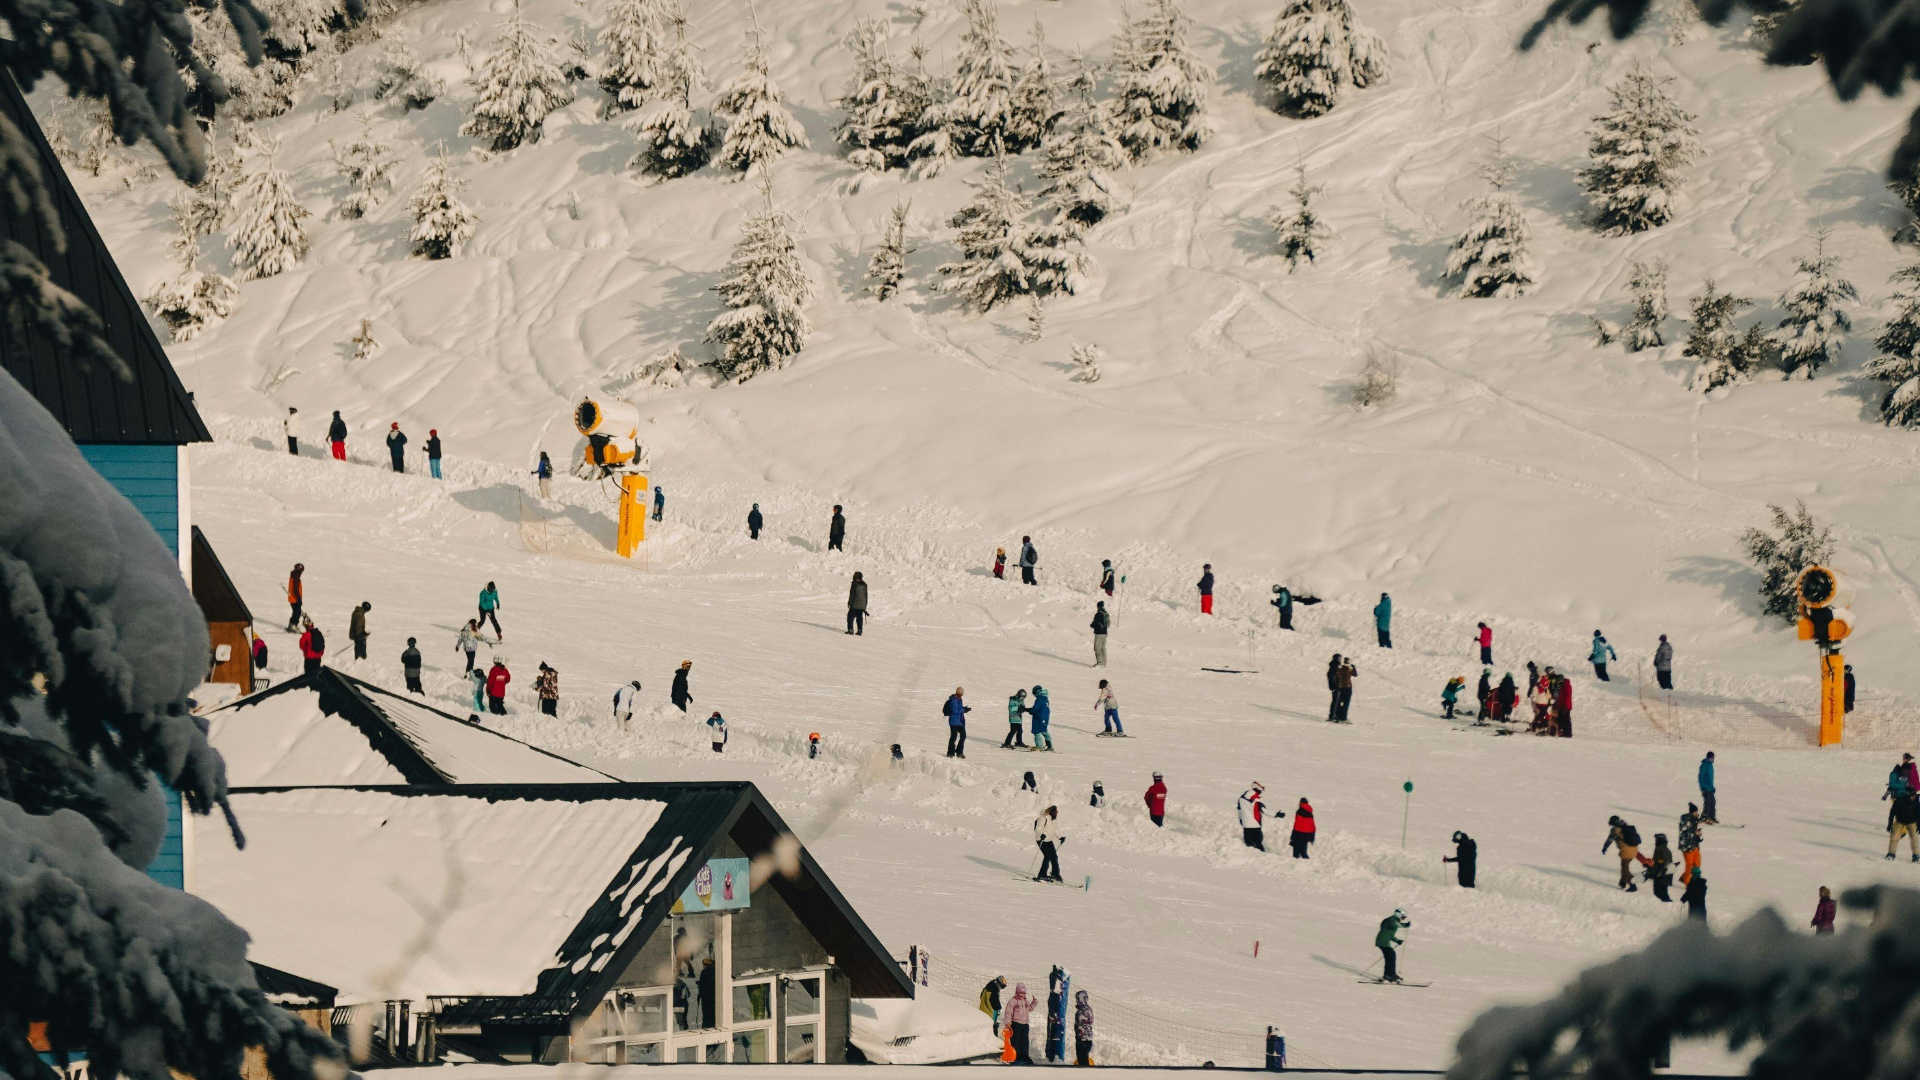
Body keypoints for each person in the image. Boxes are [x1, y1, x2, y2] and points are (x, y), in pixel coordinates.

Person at [1603, 815, 1647, 892]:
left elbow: (1609, 840)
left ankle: (1632, 885)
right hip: (1634, 850)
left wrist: (1605, 848)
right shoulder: (1625, 826)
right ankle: (1622, 883)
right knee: (1624, 868)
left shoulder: (1615, 830)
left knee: (1625, 870)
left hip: (1627, 851)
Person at [1375, 910, 1410, 983]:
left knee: (1390, 957)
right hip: (1382, 941)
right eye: (1402, 917)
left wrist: (1397, 941)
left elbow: (1390, 934)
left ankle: (1387, 975)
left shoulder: (1393, 921)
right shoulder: (1392, 920)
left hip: (1383, 941)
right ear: (1398, 915)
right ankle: (1391, 975)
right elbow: (1395, 925)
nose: (1402, 919)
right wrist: (1405, 925)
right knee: (1391, 955)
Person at [1007, 983, 1035, 1064]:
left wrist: (1034, 1002)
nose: (1022, 995)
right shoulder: (1013, 1001)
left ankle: (1024, 1057)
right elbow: (1008, 1013)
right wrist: (1008, 1023)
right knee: (1016, 1041)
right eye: (1020, 993)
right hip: (1016, 1024)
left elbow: (1029, 1009)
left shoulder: (1025, 1001)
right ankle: (1015, 1057)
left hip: (1025, 1024)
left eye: (1023, 993)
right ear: (1017, 992)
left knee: (1025, 1041)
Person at [1034, 806, 1063, 882]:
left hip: (1049, 840)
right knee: (1048, 856)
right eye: (1055, 812)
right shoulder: (1043, 818)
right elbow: (1038, 829)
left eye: (1057, 811)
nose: (1056, 813)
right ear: (1050, 812)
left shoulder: (1054, 820)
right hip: (1041, 839)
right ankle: (1042, 875)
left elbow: (1055, 830)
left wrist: (1060, 837)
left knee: (1054, 857)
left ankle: (1055, 874)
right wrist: (1041, 834)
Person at [1238, 782, 1271, 850]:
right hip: (1255, 824)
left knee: (1249, 844)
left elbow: (1239, 810)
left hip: (1246, 824)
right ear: (1257, 789)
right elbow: (1264, 810)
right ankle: (1262, 857)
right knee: (1258, 843)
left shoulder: (1241, 798)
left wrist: (1241, 819)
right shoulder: (1256, 799)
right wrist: (1276, 815)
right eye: (1261, 790)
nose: (1261, 792)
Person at [1889, 790, 1920, 861]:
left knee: (1914, 839)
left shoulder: (1916, 802)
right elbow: (1892, 813)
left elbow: (1918, 814)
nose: (1914, 797)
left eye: (1914, 795)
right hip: (1899, 821)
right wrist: (1890, 824)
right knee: (1894, 838)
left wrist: (1919, 825)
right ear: (1908, 795)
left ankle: (1916, 855)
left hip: (1912, 822)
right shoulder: (1899, 801)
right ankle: (1891, 854)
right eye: (1912, 795)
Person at [1678, 803, 1703, 884]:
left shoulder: (1694, 820)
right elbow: (1684, 833)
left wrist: (1697, 835)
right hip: (1687, 847)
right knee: (1690, 866)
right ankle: (1687, 883)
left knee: (1697, 865)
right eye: (1695, 812)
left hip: (1695, 846)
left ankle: (1684, 878)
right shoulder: (1685, 820)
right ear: (1691, 812)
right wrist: (1694, 833)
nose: (1697, 814)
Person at [1647, 833, 1674, 902]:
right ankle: (1668, 905)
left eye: (1656, 839)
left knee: (1658, 892)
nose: (1655, 841)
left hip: (1661, 874)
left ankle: (1668, 906)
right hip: (1667, 874)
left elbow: (1657, 863)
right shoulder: (1667, 849)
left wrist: (1653, 873)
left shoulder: (1659, 848)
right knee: (1663, 893)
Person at [944, 686, 970, 758]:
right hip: (954, 721)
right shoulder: (954, 700)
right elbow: (955, 710)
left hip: (959, 722)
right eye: (961, 693)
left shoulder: (959, 699)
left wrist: (964, 709)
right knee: (953, 737)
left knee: (963, 736)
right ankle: (950, 753)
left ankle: (959, 752)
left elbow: (958, 709)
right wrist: (964, 710)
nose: (962, 694)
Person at [1029, 686, 1053, 751]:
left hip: (1038, 717)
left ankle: (1039, 746)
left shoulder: (1039, 699)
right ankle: (1049, 745)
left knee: (1036, 731)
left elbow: (1036, 708)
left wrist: (1030, 711)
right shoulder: (1045, 698)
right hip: (1045, 718)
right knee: (1044, 731)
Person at [1073, 989, 1093, 1066]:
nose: (1076, 1001)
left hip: (1083, 1038)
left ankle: (1084, 1074)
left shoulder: (1083, 1010)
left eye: (1077, 999)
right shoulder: (1087, 1008)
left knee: (1082, 1059)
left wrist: (1080, 1032)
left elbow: (1083, 1023)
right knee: (1083, 1057)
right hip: (1087, 1038)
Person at [1699, 752, 1718, 824]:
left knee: (1713, 802)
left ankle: (1711, 817)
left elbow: (1710, 779)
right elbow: (1701, 777)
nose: (1712, 760)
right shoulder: (1704, 765)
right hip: (1706, 788)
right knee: (1708, 802)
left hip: (1710, 788)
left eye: (1713, 758)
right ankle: (1705, 817)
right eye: (1711, 758)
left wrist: (1712, 787)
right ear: (1707, 758)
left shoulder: (1710, 765)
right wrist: (1703, 786)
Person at [1335, 656, 1357, 722]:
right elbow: (1355, 674)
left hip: (1340, 687)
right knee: (1346, 703)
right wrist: (1353, 667)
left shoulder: (1340, 668)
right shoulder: (1350, 669)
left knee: (1339, 702)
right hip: (1348, 687)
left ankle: (1338, 716)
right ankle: (1343, 717)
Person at [1090, 601, 1110, 667]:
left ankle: (1100, 663)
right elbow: (1108, 624)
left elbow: (1094, 624)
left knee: (1097, 648)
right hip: (1105, 633)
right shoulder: (1106, 614)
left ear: (1098, 606)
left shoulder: (1098, 614)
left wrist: (1092, 625)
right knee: (1103, 648)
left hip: (1099, 633)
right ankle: (1104, 663)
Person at [285, 563, 305, 631]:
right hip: (295, 598)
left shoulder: (294, 575)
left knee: (296, 612)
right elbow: (296, 589)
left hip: (293, 598)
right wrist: (299, 599)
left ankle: (291, 626)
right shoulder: (296, 576)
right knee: (297, 613)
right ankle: (293, 626)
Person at [1326, 655, 1344, 721]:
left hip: (1336, 686)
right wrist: (1334, 686)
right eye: (1339, 658)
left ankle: (1335, 715)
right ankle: (1333, 715)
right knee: (1336, 701)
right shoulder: (1335, 666)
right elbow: (1331, 677)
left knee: (1337, 701)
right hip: (1336, 686)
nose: (1340, 660)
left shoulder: (1335, 665)